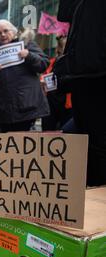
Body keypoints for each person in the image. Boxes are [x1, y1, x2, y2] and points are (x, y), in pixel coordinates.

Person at [57, 0, 106, 187]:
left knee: (97, 146)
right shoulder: (81, 6)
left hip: (96, 76)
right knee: (86, 144)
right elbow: (64, 13)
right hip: (81, 77)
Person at [0, 22, 50, 133]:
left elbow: (44, 64)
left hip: (26, 107)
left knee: (23, 145)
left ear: (14, 32)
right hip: (6, 110)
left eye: (5, 31)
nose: (2, 35)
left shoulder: (26, 45)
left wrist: (29, 55)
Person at [41, 36, 72, 131]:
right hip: (51, 103)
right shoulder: (52, 62)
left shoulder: (73, 64)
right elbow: (44, 76)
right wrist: (42, 81)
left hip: (67, 104)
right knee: (47, 131)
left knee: (66, 132)